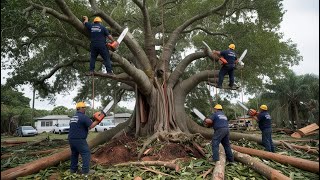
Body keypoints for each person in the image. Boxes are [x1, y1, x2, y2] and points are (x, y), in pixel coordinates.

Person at [68, 102, 101, 176]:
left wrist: (92, 119)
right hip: (79, 139)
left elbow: (82, 124)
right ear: (80, 108)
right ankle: (85, 171)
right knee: (86, 153)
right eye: (84, 108)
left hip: (71, 139)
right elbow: (91, 126)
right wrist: (98, 120)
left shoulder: (73, 117)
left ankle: (73, 169)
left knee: (74, 154)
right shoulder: (83, 117)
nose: (85, 109)